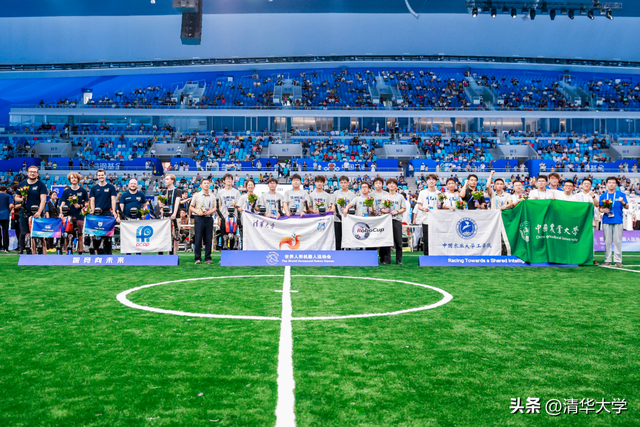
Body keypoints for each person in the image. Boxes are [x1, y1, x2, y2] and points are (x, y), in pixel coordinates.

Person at [15, 165, 48, 254]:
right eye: (31, 172)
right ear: (27, 173)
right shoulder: (22, 184)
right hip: (24, 211)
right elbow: (16, 198)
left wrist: (39, 212)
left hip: (37, 212)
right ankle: (25, 249)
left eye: (34, 172)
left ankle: (40, 250)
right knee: (25, 232)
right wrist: (22, 199)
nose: (32, 173)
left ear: (37, 174)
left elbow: (43, 200)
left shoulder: (41, 185)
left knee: (39, 232)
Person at [599, 177, 629, 267]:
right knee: (607, 242)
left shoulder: (621, 195)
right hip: (606, 221)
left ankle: (618, 260)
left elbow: (627, 207)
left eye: (613, 183)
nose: (611, 184)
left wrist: (622, 201)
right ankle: (607, 260)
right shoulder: (603, 196)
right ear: (606, 184)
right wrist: (604, 210)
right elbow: (600, 208)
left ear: (616, 184)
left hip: (618, 220)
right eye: (609, 182)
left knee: (617, 241)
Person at [89, 169, 118, 254]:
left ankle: (108, 254)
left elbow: (113, 200)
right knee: (97, 234)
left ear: (105, 176)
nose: (101, 176)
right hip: (97, 214)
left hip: (107, 213)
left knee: (107, 235)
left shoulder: (111, 187)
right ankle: (99, 253)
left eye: (102, 175)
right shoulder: (94, 188)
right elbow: (92, 201)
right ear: (97, 176)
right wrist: (92, 211)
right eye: (99, 175)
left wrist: (113, 211)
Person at [59, 172, 89, 254]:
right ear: (70, 180)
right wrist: (61, 213)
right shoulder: (66, 191)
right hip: (68, 216)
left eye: (75, 178)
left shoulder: (83, 191)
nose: (74, 179)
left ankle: (80, 252)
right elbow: (62, 204)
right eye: (72, 178)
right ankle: (67, 252)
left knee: (80, 235)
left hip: (79, 216)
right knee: (67, 235)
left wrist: (80, 206)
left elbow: (87, 204)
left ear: (78, 179)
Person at [379, 178, 407, 265]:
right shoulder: (384, 197)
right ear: (387, 186)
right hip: (387, 221)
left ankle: (399, 260)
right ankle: (387, 260)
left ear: (396, 186)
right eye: (389, 183)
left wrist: (397, 211)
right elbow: (381, 209)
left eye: (393, 183)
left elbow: (404, 208)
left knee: (398, 241)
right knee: (387, 240)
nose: (391, 185)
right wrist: (385, 210)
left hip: (397, 220)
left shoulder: (400, 196)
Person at [189, 178, 217, 265]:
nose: (206, 185)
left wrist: (210, 212)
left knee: (208, 239)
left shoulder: (212, 196)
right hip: (199, 218)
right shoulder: (196, 195)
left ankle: (208, 258)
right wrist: (198, 212)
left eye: (208, 183)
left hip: (209, 218)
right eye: (204, 183)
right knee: (198, 238)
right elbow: (191, 207)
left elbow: (215, 208)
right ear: (201, 185)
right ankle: (197, 258)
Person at [217, 173, 242, 250]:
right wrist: (218, 218)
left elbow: (239, 205)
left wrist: (234, 204)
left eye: (230, 179)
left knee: (232, 237)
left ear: (232, 181)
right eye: (227, 179)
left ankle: (232, 253)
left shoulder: (236, 192)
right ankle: (224, 254)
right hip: (223, 217)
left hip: (233, 217)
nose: (228, 180)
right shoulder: (220, 192)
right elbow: (219, 206)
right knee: (223, 236)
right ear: (223, 181)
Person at [416, 174, 439, 255]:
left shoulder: (439, 193)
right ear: (426, 181)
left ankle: (435, 255)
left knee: (436, 239)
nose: (431, 181)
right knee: (426, 239)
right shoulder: (422, 192)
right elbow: (419, 205)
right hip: (426, 219)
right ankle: (426, 256)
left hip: (436, 219)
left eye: (433, 179)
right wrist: (423, 209)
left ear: (436, 181)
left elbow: (441, 206)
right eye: (429, 179)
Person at [332, 176, 356, 250]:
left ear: (348, 183)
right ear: (339, 183)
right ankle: (338, 253)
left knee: (348, 238)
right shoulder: (336, 193)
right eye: (341, 183)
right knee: (337, 238)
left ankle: (348, 253)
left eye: (345, 182)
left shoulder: (352, 194)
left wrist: (347, 209)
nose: (343, 184)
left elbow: (354, 207)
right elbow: (333, 204)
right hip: (337, 219)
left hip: (348, 219)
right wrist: (333, 209)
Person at [0, 186, 13, 253]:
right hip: (5, 215)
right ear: (5, 190)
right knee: (5, 232)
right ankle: (6, 248)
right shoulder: (8, 196)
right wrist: (9, 211)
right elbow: (11, 205)